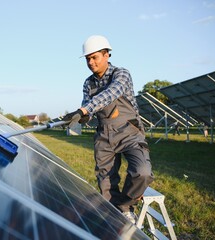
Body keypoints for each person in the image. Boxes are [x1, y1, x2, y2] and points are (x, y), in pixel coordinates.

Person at [62, 35, 154, 224]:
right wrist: (79, 117)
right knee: (105, 181)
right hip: (104, 135)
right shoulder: (88, 83)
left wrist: (84, 109)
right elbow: (87, 108)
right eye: (87, 58)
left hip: (129, 132)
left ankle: (125, 206)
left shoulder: (121, 74)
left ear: (106, 55)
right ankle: (114, 216)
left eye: (94, 57)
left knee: (142, 172)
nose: (90, 62)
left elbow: (112, 93)